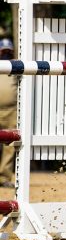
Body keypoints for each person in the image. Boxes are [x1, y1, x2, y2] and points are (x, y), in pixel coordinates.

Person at [0, 38, 17, 186]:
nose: (5, 53)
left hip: (12, 110)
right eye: (3, 51)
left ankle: (4, 178)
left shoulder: (17, 65)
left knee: (9, 145)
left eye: (8, 51)